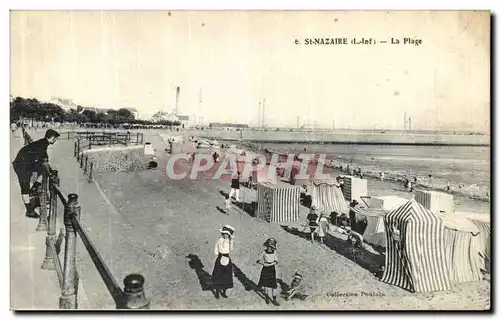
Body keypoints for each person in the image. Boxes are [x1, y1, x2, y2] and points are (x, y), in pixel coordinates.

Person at [12, 129, 60, 218]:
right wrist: (48, 167)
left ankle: (34, 189)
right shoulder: (43, 143)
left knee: (43, 171)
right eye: (55, 139)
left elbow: (41, 155)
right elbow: (43, 155)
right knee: (24, 186)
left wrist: (46, 166)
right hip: (21, 165)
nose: (55, 140)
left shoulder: (42, 142)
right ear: (52, 138)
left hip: (25, 163)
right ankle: (29, 211)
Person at [211, 225, 235, 299]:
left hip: (227, 258)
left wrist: (232, 241)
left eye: (227, 234)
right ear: (222, 233)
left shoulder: (229, 241)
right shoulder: (219, 240)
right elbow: (216, 247)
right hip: (220, 257)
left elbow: (231, 249)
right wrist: (217, 253)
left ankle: (224, 292)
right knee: (218, 275)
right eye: (224, 233)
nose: (226, 235)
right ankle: (217, 292)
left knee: (226, 276)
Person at [257, 238, 280, 306]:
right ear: (267, 246)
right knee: (266, 284)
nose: (270, 248)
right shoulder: (263, 252)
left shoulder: (274, 252)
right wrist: (263, 264)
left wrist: (269, 264)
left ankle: (274, 298)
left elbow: (276, 261)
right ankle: (267, 297)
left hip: (272, 269)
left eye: (271, 247)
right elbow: (258, 260)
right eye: (269, 246)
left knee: (273, 284)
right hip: (265, 269)